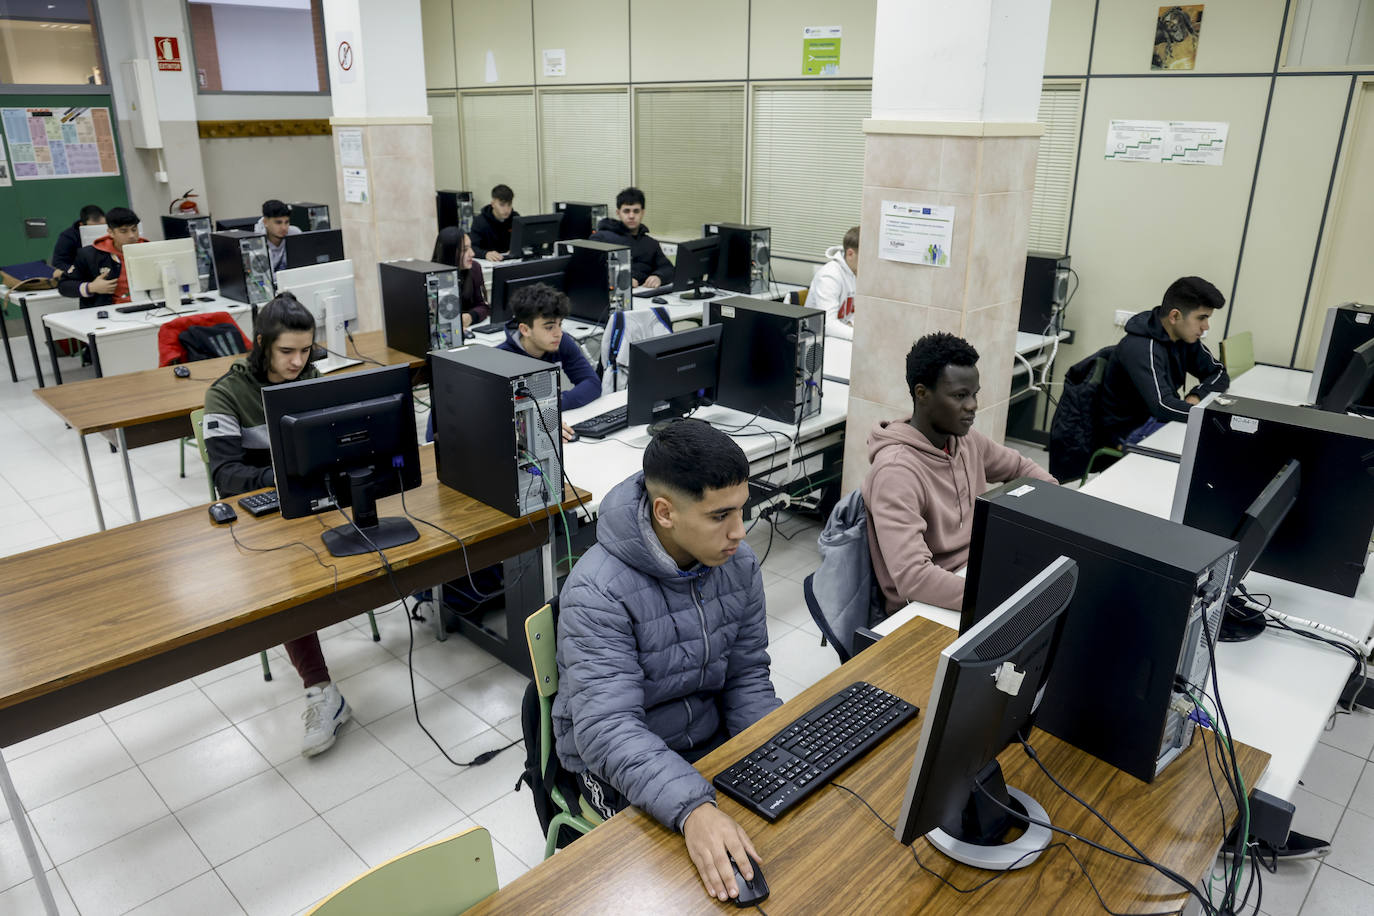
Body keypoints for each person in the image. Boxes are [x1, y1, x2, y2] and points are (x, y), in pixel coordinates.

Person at [553, 419, 780, 903]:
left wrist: (777, 750)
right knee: (688, 892)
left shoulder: (735, 564)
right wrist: (693, 809)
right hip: (612, 766)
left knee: (789, 840)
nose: (739, 532)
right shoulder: (597, 592)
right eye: (720, 516)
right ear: (665, 512)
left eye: (742, 509)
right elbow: (607, 731)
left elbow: (746, 676)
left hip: (703, 744)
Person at [202, 293, 353, 757]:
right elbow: (225, 478)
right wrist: (284, 478)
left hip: (319, 497)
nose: (298, 361)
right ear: (262, 343)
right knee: (285, 586)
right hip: (263, 517)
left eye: (306, 350)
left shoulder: (312, 379)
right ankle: (321, 690)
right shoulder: (225, 394)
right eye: (287, 351)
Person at [863, 332, 1056, 613]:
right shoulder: (896, 472)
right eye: (960, 396)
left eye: (975, 394)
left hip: (974, 574)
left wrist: (1057, 502)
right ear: (922, 394)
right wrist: (994, 596)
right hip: (923, 607)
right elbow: (914, 579)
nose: (972, 405)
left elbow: (1019, 468)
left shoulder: (964, 440)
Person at [1098, 276, 1230, 448]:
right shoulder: (1143, 347)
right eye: (1201, 318)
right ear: (1175, 316)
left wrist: (1197, 395)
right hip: (1128, 432)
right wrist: (1209, 416)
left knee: (1215, 442)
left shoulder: (1184, 337)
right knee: (1213, 442)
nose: (1206, 326)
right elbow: (1162, 406)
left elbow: (1218, 372)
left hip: (1157, 419)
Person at [498, 283, 600, 437]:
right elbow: (501, 412)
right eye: (549, 327)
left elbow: (592, 383)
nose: (558, 333)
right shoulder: (502, 358)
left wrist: (551, 406)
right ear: (525, 330)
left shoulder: (561, 342)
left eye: (560, 325)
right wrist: (542, 416)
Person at [57, 206, 149, 309]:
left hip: (148, 307)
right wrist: (91, 287)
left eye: (134, 229)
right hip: (109, 312)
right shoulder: (89, 255)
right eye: (124, 231)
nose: (132, 235)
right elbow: (64, 286)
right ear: (110, 232)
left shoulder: (150, 250)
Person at [590, 187, 674, 289]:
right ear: (618, 213)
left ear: (642, 212)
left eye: (636, 211)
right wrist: (623, 279)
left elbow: (668, 268)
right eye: (626, 211)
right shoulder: (601, 238)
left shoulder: (651, 244)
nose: (631, 216)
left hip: (643, 294)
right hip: (614, 294)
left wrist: (658, 277)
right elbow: (591, 269)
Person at [807, 225, 859, 341]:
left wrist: (851, 323)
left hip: (841, 337)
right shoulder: (829, 276)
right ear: (850, 254)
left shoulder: (856, 272)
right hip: (820, 341)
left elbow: (862, 312)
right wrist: (860, 336)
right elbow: (828, 325)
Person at [432, 226, 490, 328]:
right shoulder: (432, 276)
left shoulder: (475, 268)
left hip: (469, 329)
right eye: (464, 250)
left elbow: (483, 306)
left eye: (470, 247)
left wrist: (470, 317)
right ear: (449, 253)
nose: (472, 253)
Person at [51, 204, 105, 277]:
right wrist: (76, 270)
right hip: (78, 274)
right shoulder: (68, 237)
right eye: (93, 228)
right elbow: (58, 262)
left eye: (102, 226)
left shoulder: (112, 231)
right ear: (82, 225)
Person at [470, 184, 518, 261]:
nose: (506, 209)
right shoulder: (480, 221)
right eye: (502, 205)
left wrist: (517, 249)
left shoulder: (515, 218)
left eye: (509, 205)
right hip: (489, 263)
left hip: (510, 260)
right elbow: (472, 247)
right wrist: (485, 254)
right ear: (493, 204)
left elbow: (524, 241)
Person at [253, 199, 301, 272]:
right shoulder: (257, 242)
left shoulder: (295, 233)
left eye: (287, 222)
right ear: (265, 222)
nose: (284, 228)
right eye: (278, 223)